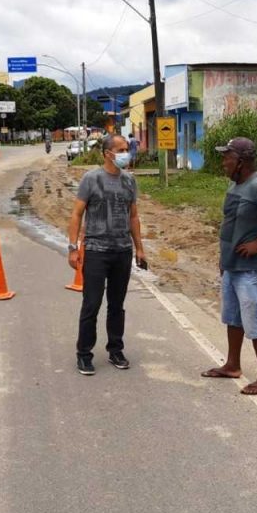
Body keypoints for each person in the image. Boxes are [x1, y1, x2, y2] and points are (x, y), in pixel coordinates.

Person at [201, 137, 257, 395]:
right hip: (234, 265)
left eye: (227, 157)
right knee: (233, 317)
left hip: (254, 268)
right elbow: (233, 223)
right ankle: (232, 365)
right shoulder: (237, 185)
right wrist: (225, 257)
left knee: (254, 320)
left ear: (240, 161)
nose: (223, 162)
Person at [67, 134, 146, 376]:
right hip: (96, 251)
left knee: (117, 305)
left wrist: (139, 248)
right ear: (107, 153)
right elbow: (77, 214)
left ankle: (115, 349)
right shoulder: (91, 179)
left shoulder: (129, 182)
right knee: (91, 304)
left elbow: (133, 216)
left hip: (122, 251)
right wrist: (73, 248)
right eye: (121, 149)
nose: (126, 153)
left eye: (127, 149)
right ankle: (84, 354)